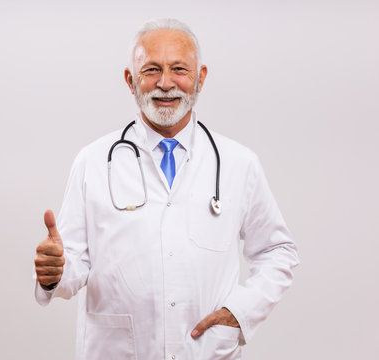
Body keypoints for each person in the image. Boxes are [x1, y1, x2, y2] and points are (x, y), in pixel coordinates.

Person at [34, 18, 299, 360]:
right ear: (130, 80)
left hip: (207, 352)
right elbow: (72, 267)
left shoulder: (239, 163)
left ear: (200, 78)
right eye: (151, 70)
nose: (165, 83)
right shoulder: (94, 161)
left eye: (179, 69)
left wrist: (241, 311)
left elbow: (278, 250)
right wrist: (54, 272)